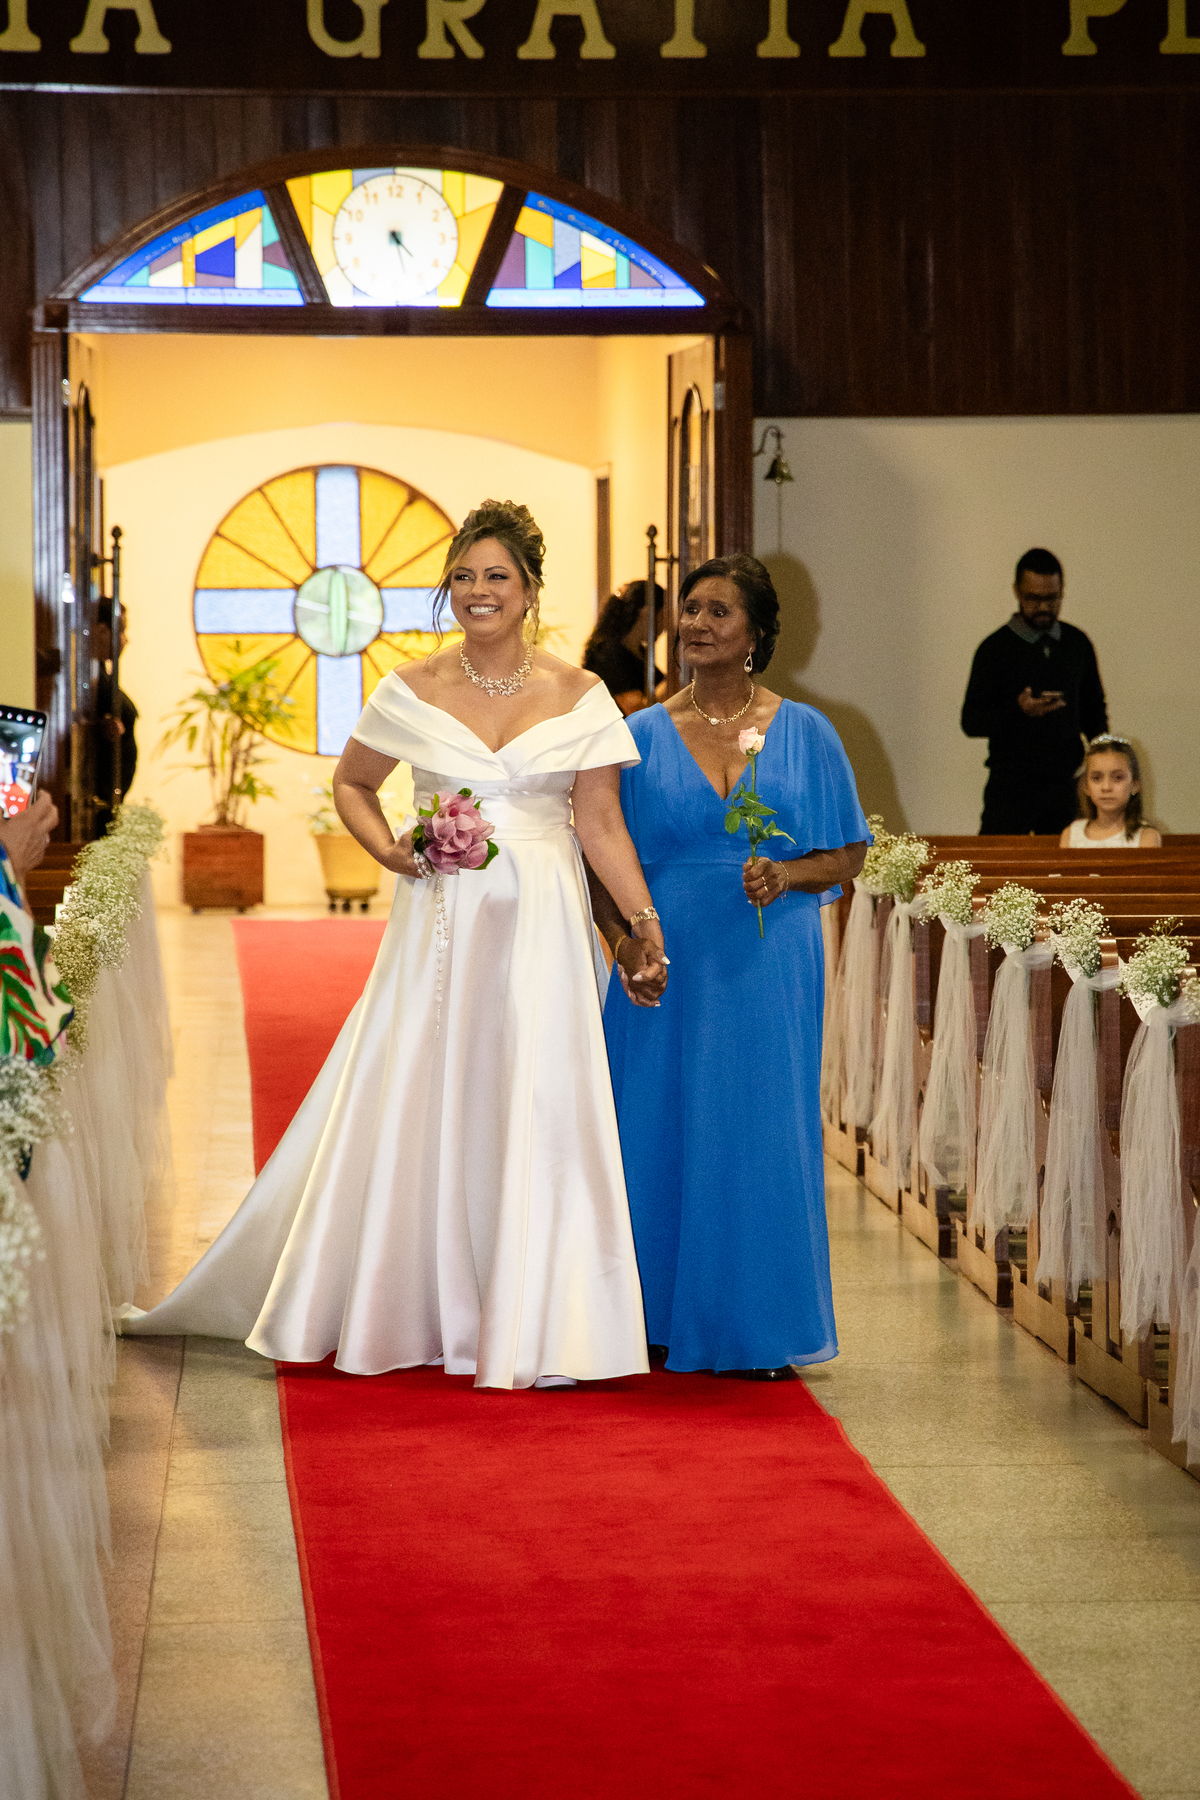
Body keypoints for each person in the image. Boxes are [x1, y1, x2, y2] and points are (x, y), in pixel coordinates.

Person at [121, 500, 669, 1391]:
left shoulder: (581, 694)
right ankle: (408, 1297)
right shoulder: (410, 687)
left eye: (497, 576)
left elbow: (600, 822)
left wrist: (643, 926)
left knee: (540, 1096)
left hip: (542, 924)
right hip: (444, 919)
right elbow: (355, 784)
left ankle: (546, 1314)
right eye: (464, 576)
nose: (479, 591)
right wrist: (392, 851)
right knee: (424, 1082)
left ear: (530, 589)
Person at [591, 554, 868, 1380]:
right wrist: (624, 948)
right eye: (691, 609)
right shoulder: (636, 735)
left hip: (767, 956)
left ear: (756, 634)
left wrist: (788, 873)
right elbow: (600, 861)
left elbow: (849, 851)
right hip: (665, 957)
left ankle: (753, 1325)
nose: (697, 624)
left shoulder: (807, 732)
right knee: (654, 1122)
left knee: (758, 1129)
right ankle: (646, 1314)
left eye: (718, 611)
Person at [961, 548, 1109, 835]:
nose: (1043, 607)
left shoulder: (1077, 644)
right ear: (1016, 591)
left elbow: (1093, 710)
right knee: (998, 861)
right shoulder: (994, 649)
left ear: (1062, 591)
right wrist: (1018, 711)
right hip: (1010, 788)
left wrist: (1105, 759)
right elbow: (971, 721)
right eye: (1033, 598)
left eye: (1052, 599)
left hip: (1066, 786)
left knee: (1067, 862)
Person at [1060, 734, 1161, 848]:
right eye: (1097, 778)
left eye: (1118, 778)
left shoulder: (1146, 836)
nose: (1106, 787)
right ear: (1086, 786)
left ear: (1135, 785)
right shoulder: (1071, 835)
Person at [582, 580, 664, 715]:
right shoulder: (608, 653)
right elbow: (635, 710)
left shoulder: (637, 652)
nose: (666, 626)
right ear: (646, 613)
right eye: (663, 615)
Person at [93, 601, 138, 832]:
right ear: (102, 631)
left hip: (108, 803)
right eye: (121, 631)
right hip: (96, 804)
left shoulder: (100, 672)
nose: (125, 640)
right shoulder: (91, 679)